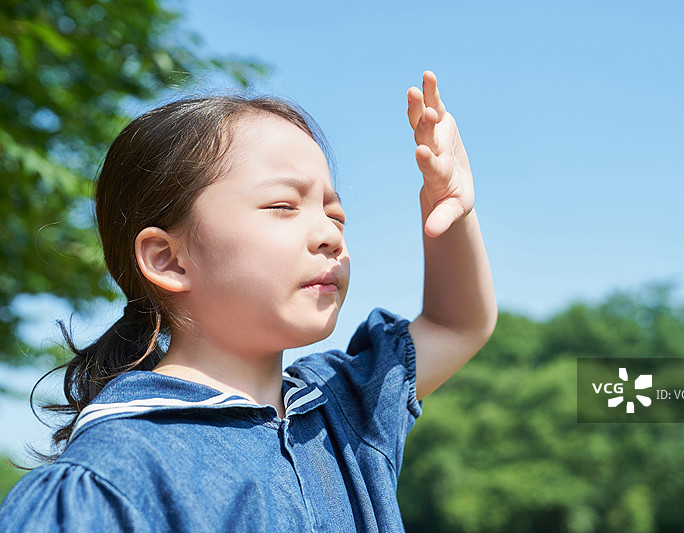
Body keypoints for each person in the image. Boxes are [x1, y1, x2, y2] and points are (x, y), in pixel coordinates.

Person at [0, 71, 496, 532]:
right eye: (282, 206)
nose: (330, 235)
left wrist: (451, 207)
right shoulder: (112, 478)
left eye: (335, 215)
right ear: (168, 259)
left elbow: (457, 325)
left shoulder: (344, 409)